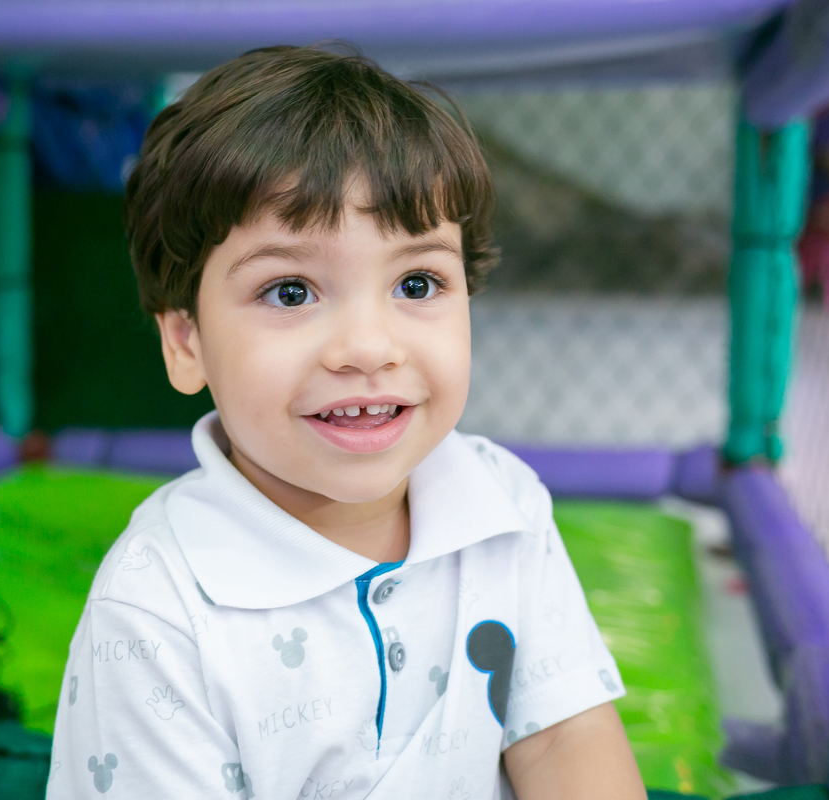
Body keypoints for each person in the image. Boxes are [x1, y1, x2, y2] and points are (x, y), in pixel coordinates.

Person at [48, 45, 645, 800]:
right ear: (186, 340)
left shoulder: (503, 504)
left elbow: (565, 736)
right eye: (291, 292)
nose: (368, 347)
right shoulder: (158, 608)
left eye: (418, 282)